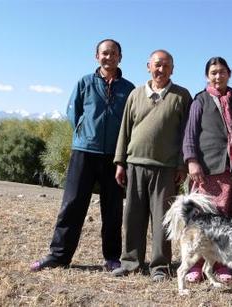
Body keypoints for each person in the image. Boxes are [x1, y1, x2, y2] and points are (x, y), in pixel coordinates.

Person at [30, 39, 135, 272]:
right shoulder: (84, 82)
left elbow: (131, 123)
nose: (109, 57)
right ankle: (59, 255)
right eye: (104, 53)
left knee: (113, 209)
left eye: (114, 53)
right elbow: (74, 113)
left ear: (120, 57)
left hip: (115, 156)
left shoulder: (129, 89)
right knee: (72, 205)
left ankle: (112, 258)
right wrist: (85, 133)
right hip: (84, 151)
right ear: (97, 56)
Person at [112, 50, 192, 282]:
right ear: (148, 66)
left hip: (166, 168)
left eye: (166, 65)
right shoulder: (136, 94)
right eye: (157, 65)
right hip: (135, 164)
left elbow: (186, 134)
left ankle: (160, 266)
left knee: (163, 219)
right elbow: (124, 130)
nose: (161, 69)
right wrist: (120, 162)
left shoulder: (181, 96)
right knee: (133, 216)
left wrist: (181, 165)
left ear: (172, 69)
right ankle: (130, 263)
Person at [182, 57, 232, 283]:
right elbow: (190, 134)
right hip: (207, 171)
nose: (218, 76)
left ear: (229, 73)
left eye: (222, 72)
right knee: (203, 221)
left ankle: (222, 265)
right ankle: (196, 264)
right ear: (207, 76)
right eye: (213, 73)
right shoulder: (200, 100)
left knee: (229, 221)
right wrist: (191, 160)